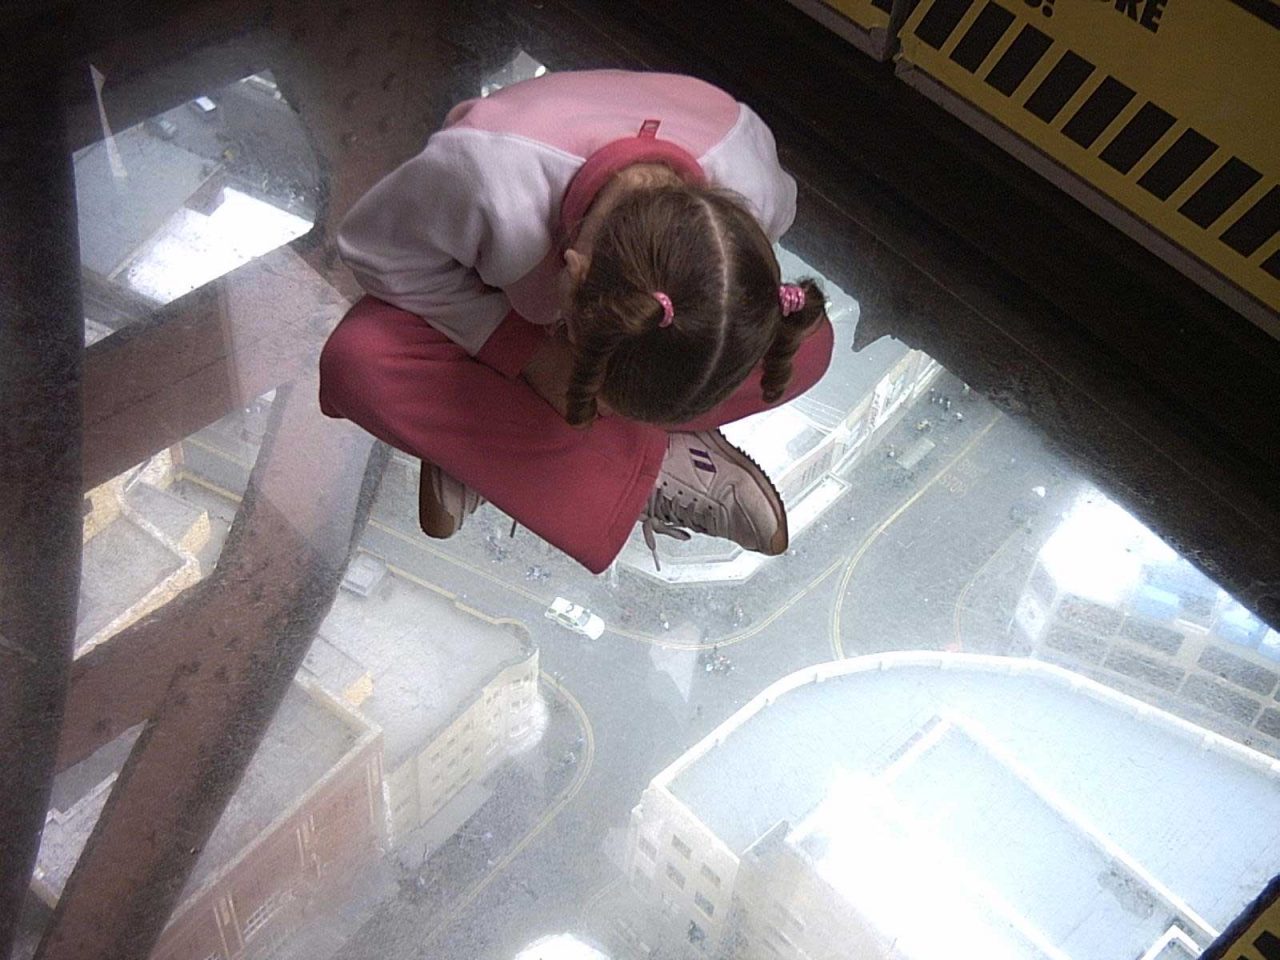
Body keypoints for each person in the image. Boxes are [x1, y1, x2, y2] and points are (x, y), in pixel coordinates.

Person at [319, 70, 834, 573]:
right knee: (359, 361)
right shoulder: (484, 177)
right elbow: (373, 250)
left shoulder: (749, 175)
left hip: (615, 311)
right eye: (591, 382)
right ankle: (645, 462)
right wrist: (528, 354)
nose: (587, 400)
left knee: (809, 345)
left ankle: (494, 445)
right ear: (568, 272)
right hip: (491, 291)